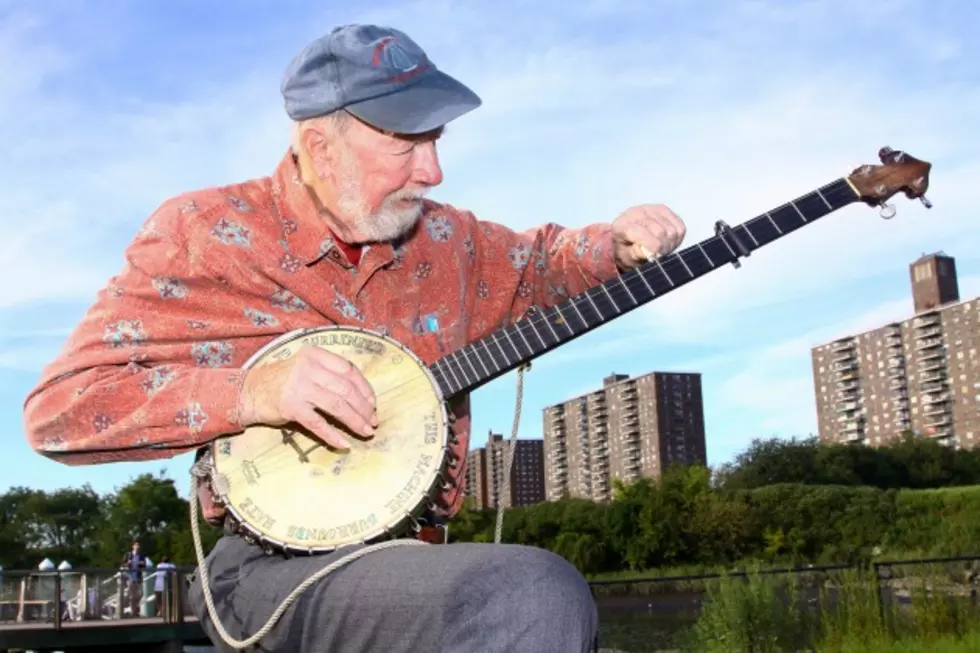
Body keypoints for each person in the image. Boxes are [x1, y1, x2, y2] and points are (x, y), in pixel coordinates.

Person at [23, 24, 686, 653]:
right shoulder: (200, 233)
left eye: (437, 140)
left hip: (421, 559)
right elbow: (60, 410)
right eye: (407, 144)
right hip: (270, 569)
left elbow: (545, 263)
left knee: (514, 597)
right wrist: (252, 391)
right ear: (320, 148)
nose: (433, 171)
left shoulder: (450, 242)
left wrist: (616, 244)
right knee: (532, 595)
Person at [120, 540, 147, 618]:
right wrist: (128, 563)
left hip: (138, 577)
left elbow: (144, 566)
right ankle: (133, 612)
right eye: (136, 545)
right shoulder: (128, 554)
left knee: (140, 594)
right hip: (129, 577)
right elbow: (122, 564)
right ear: (133, 546)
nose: (138, 547)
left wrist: (142, 564)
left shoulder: (141, 556)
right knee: (132, 595)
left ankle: (134, 609)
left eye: (139, 545)